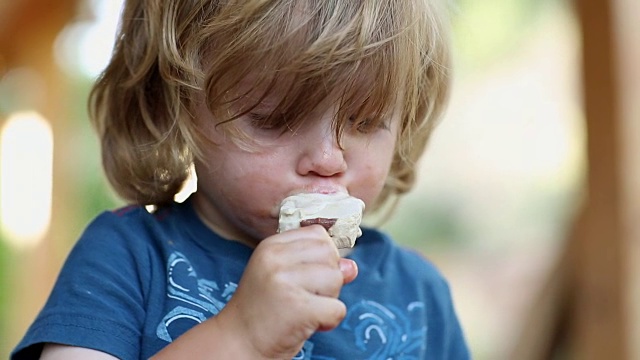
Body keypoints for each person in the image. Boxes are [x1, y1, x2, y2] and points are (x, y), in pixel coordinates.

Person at [12, 0, 470, 359]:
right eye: (275, 120)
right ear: (173, 108)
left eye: (366, 121)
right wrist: (241, 338)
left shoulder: (420, 295)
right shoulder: (127, 259)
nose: (328, 159)